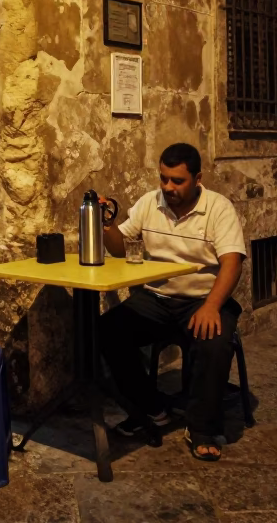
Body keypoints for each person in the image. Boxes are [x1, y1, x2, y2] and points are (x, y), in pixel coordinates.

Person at [98, 142, 246, 462]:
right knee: (108, 330)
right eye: (164, 178)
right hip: (156, 297)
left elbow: (232, 263)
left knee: (214, 341)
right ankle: (151, 409)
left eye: (177, 181)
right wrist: (107, 225)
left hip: (203, 298)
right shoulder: (150, 203)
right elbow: (120, 249)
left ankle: (202, 428)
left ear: (197, 178)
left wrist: (211, 306)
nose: (168, 187)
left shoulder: (218, 208)